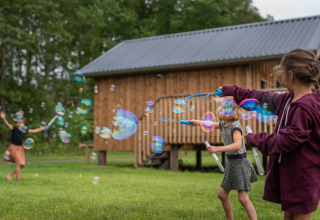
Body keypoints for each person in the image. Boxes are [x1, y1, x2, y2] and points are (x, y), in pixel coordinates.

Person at [219, 48, 320, 220]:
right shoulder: (289, 99)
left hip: (303, 176)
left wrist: (253, 139)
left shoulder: (305, 107)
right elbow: (261, 98)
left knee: (300, 216)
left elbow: (287, 140)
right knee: (289, 215)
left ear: (290, 75)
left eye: (281, 75)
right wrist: (233, 91)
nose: (280, 79)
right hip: (293, 172)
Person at [188, 97, 258, 220]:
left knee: (243, 199)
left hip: (240, 163)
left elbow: (238, 145)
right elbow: (210, 124)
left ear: (234, 111)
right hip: (231, 164)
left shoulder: (235, 126)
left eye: (227, 108)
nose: (224, 110)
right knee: (222, 195)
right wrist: (197, 122)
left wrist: (217, 149)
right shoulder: (223, 124)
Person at [1, 111, 47, 182]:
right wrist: (4, 118)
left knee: (22, 165)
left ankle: (10, 175)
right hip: (13, 148)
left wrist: (43, 128)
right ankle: (18, 181)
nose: (19, 124)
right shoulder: (14, 129)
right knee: (20, 164)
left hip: (20, 148)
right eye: (18, 123)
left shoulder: (24, 130)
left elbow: (34, 131)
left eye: (21, 123)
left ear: (24, 123)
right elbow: (8, 125)